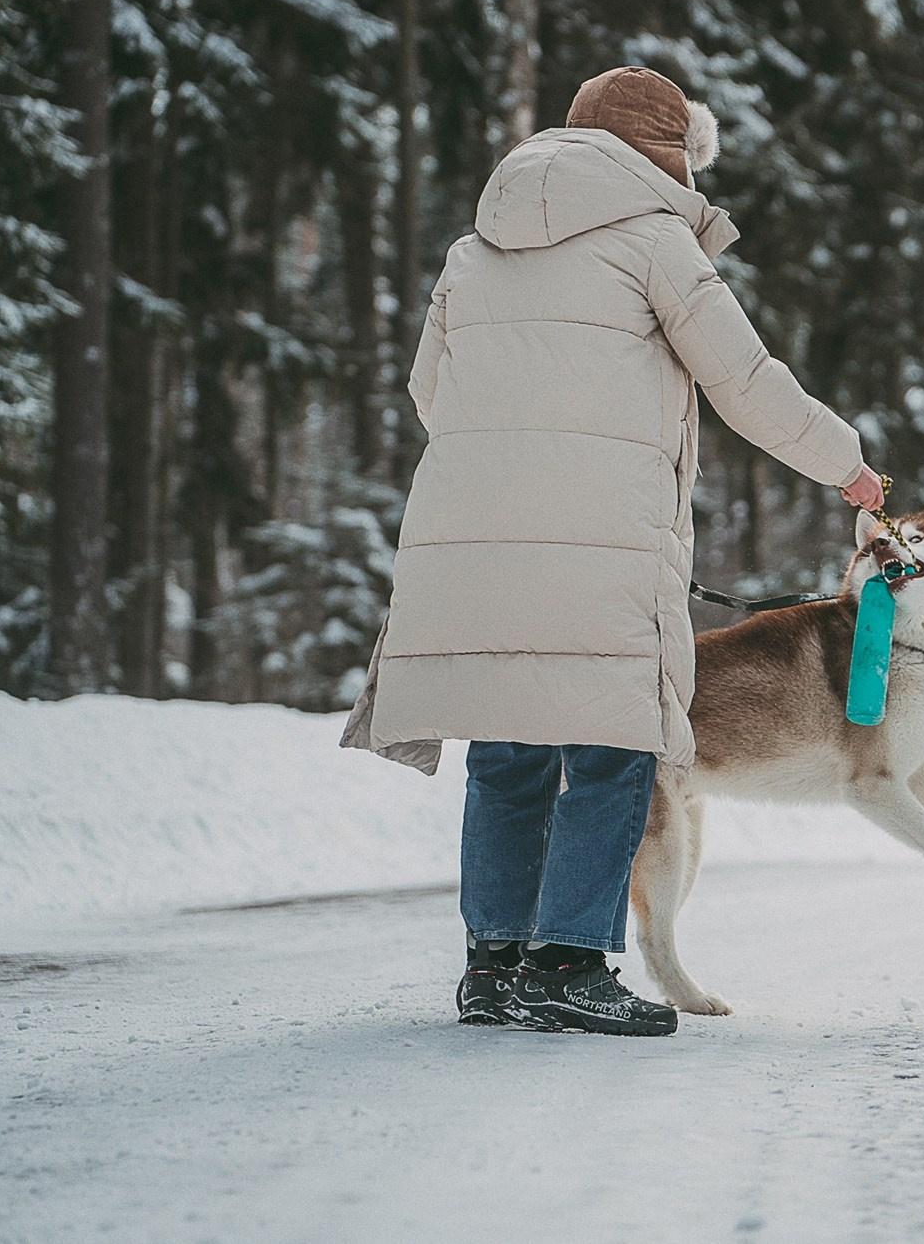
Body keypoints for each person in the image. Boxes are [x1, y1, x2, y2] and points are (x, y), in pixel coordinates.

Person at [346, 66, 884, 1036]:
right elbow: (747, 380)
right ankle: (566, 962)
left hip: (470, 535)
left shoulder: (473, 249)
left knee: (507, 739)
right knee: (612, 741)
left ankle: (494, 963)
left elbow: (433, 391)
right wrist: (845, 465)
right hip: (596, 540)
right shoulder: (655, 243)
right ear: (670, 156)